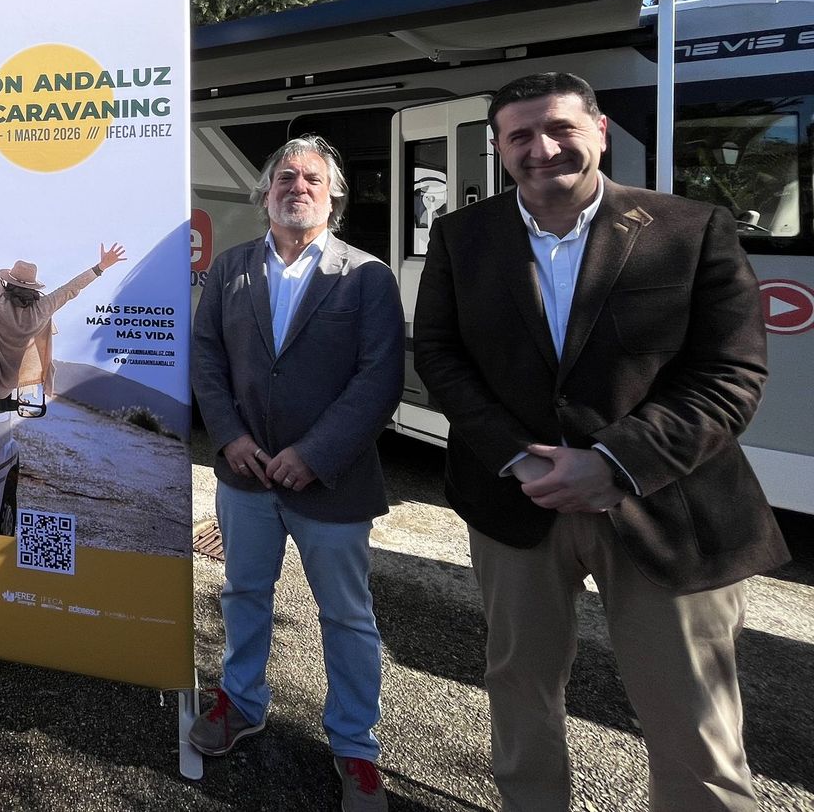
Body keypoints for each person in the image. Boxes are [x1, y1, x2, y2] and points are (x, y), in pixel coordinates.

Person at [412, 72, 789, 811]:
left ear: (600, 130)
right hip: (516, 502)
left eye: (559, 128)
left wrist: (614, 462)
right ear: (498, 148)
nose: (541, 148)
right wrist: (517, 457)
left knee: (693, 722)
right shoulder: (464, 237)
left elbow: (731, 374)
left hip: (663, 504)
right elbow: (439, 356)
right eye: (519, 136)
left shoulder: (690, 228)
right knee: (519, 690)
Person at [190, 135, 404, 811]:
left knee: (346, 616)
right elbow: (206, 360)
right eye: (285, 177)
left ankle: (355, 749)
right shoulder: (230, 270)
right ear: (266, 194)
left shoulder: (366, 275)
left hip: (331, 483)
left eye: (312, 177)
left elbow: (380, 379)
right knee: (243, 595)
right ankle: (242, 703)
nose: (298, 186)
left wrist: (315, 454)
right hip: (246, 475)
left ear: (333, 194)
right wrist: (229, 437)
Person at [0, 195, 126, 407]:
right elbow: (71, 289)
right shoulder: (41, 309)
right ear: (33, 288)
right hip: (4, 386)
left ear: (9, 283)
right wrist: (100, 267)